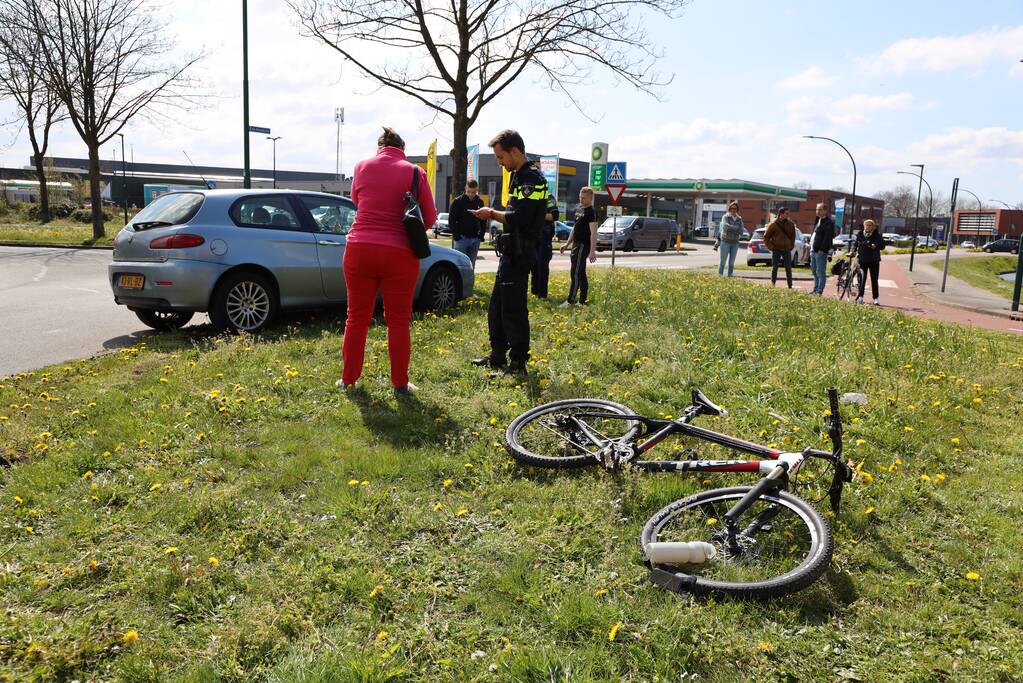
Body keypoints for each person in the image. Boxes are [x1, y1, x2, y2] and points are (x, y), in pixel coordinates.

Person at [337, 127, 436, 394]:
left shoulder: (361, 166)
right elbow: (429, 217)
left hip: (359, 248)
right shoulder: (415, 172)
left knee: (355, 319)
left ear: (379, 147)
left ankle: (348, 379)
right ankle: (400, 383)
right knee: (398, 320)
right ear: (402, 149)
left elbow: (357, 201)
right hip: (399, 254)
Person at [469, 130, 548, 376]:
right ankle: (497, 355)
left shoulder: (532, 179)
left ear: (514, 151)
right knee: (497, 306)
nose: (499, 162)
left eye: (501, 156)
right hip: (510, 250)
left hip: (521, 251)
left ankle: (517, 364)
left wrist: (491, 213)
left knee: (513, 309)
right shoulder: (518, 176)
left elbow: (520, 218)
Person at [560, 187, 598, 306]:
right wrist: (567, 243)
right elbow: (575, 228)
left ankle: (570, 300)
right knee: (580, 272)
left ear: (590, 199)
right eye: (580, 197)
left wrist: (592, 251)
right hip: (576, 244)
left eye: (584, 198)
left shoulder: (591, 212)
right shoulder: (579, 209)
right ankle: (582, 301)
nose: (581, 200)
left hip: (583, 245)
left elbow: (594, 232)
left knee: (575, 273)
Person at [448, 179, 486, 267]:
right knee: (459, 267)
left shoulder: (480, 202)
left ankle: (469, 281)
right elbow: (451, 220)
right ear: (465, 188)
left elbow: (483, 220)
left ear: (477, 190)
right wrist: (457, 237)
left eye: (473, 192)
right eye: (469, 191)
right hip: (461, 239)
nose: (471, 194)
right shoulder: (457, 202)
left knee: (471, 267)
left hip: (475, 239)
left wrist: (481, 236)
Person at [530, 194, 559, 298]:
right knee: (533, 265)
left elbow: (554, 216)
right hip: (532, 236)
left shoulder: (549, 198)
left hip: (545, 237)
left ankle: (542, 294)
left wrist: (536, 215)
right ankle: (534, 291)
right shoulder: (530, 196)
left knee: (542, 266)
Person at [764, 207, 796, 288]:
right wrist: (771, 247)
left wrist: (791, 246)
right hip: (776, 249)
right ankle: (772, 285)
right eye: (786, 213)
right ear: (781, 214)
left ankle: (790, 286)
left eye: (789, 213)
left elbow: (793, 237)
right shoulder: (773, 224)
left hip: (786, 249)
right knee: (775, 268)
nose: (788, 215)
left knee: (788, 268)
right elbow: (766, 237)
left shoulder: (791, 224)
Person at [809, 203, 836, 296]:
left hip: (820, 251)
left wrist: (823, 249)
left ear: (825, 211)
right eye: (817, 209)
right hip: (813, 250)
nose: (817, 211)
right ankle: (815, 289)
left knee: (820, 272)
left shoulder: (829, 222)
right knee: (814, 271)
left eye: (820, 209)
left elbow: (828, 237)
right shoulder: (818, 220)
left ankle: (819, 291)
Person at [856, 219, 885, 305]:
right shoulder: (860, 234)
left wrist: (875, 246)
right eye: (866, 225)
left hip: (874, 260)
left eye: (870, 225)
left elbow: (882, 246)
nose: (868, 227)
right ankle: (860, 296)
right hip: (862, 260)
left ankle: (875, 298)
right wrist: (853, 251)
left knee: (874, 280)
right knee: (862, 279)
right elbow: (856, 244)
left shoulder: (877, 235)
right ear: (864, 226)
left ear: (873, 227)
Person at [715, 201, 743, 277]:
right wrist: (736, 228)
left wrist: (731, 228)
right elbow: (725, 226)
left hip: (735, 243)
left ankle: (730, 277)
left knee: (731, 263)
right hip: (725, 241)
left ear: (737, 209)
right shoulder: (725, 217)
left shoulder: (739, 219)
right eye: (732, 208)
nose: (733, 210)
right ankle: (720, 276)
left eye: (735, 208)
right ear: (729, 209)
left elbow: (741, 231)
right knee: (723, 261)